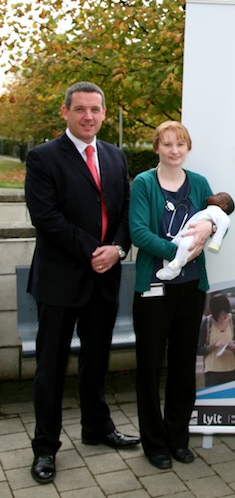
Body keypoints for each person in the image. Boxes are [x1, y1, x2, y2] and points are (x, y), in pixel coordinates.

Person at [25, 81, 139, 485]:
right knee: (50, 368)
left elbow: (126, 209)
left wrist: (119, 248)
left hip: (105, 280)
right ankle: (44, 448)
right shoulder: (42, 157)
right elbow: (46, 217)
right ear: (65, 112)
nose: (88, 116)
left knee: (97, 360)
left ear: (104, 114)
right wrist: (97, 250)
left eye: (95, 109)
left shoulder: (114, 155)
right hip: (60, 281)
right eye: (80, 109)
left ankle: (96, 427)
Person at [129, 120, 216, 470]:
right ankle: (154, 443)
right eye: (167, 144)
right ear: (157, 148)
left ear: (188, 147)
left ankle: (178, 437)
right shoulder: (144, 183)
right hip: (153, 288)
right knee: (149, 366)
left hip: (190, 288)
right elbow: (137, 231)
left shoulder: (199, 183)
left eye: (180, 144)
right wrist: (174, 253)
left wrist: (208, 229)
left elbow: (217, 216)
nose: (174, 150)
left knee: (183, 365)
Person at [156, 191, 234, 280]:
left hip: (192, 236)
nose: (213, 195)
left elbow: (224, 224)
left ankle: (176, 264)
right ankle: (169, 270)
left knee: (184, 245)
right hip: (184, 233)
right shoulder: (208, 210)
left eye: (219, 196)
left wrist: (215, 240)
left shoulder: (219, 213)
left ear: (224, 206)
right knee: (175, 243)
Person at [197, 294, 235, 387]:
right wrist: (214, 346)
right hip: (212, 372)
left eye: (227, 313)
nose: (226, 316)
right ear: (215, 313)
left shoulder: (234, 320)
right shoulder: (206, 323)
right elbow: (199, 350)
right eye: (222, 314)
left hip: (231, 369)